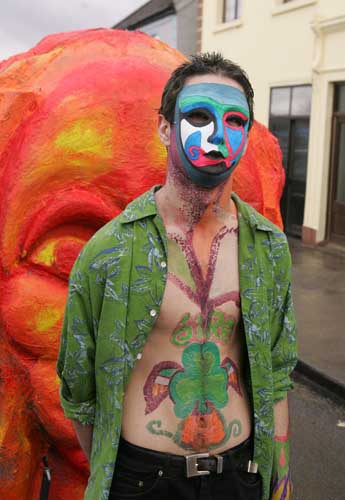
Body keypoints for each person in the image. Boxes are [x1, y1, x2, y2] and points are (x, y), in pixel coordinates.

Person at [57, 52, 297, 500]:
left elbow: (277, 376)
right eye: (199, 116)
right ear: (165, 128)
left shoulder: (268, 249)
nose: (217, 136)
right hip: (144, 480)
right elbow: (79, 389)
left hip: (238, 476)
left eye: (234, 122)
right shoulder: (110, 251)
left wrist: (279, 481)